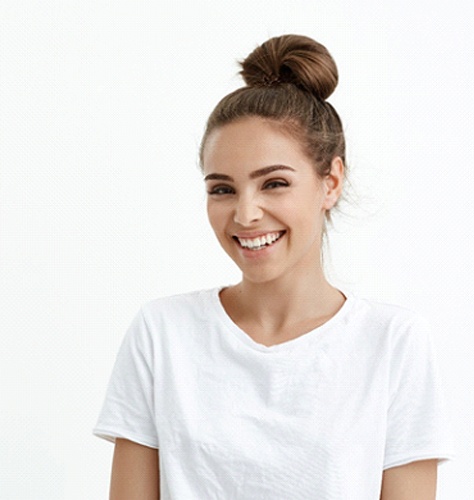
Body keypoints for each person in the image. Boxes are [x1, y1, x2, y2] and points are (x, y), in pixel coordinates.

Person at [93, 34, 455, 499]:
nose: (245, 214)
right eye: (222, 189)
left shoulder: (393, 343)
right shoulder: (162, 333)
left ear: (331, 182)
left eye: (275, 183)